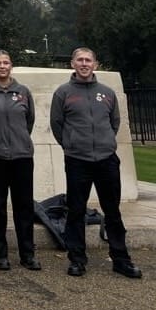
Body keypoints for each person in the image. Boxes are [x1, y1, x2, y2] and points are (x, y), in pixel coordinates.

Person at [50, 47, 143, 278]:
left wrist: (103, 144)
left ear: (95, 64)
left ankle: (121, 259)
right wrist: (71, 145)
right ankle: (77, 260)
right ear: (72, 64)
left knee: (112, 211)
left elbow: (114, 123)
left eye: (88, 60)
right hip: (77, 161)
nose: (84, 64)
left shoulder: (107, 93)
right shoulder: (63, 93)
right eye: (79, 60)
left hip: (106, 160)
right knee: (76, 211)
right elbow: (57, 125)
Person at [0, 49, 40, 272]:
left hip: (22, 156)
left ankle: (27, 254)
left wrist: (19, 140)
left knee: (24, 207)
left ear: (11, 65)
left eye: (6, 62)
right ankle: (0, 254)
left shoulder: (23, 91)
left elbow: (29, 120)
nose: (2, 66)